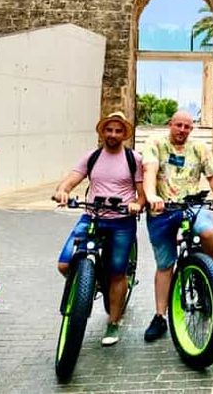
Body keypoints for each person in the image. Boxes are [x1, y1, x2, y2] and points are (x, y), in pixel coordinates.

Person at [53, 111, 144, 347]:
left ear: (124, 134)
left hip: (121, 220)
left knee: (116, 273)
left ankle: (113, 322)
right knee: (64, 264)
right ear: (102, 131)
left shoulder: (134, 158)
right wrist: (63, 190)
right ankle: (90, 281)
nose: (113, 134)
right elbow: (72, 178)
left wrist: (137, 204)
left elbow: (142, 193)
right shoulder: (92, 157)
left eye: (118, 130)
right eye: (109, 130)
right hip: (91, 216)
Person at [142, 111, 213, 342]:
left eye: (187, 127)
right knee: (165, 264)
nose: (182, 130)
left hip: (192, 205)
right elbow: (149, 171)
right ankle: (160, 317)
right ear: (170, 124)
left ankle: (211, 271)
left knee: (207, 233)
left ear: (192, 129)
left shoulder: (199, 148)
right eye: (178, 125)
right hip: (162, 208)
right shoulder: (155, 144)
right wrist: (150, 195)